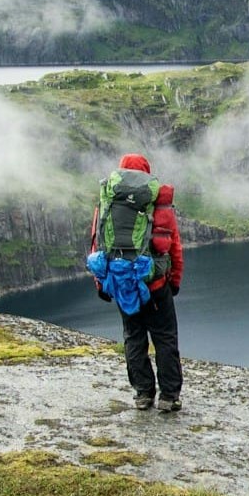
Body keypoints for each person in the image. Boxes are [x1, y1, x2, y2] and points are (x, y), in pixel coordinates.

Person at [93, 153, 185, 411]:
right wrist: (174, 281)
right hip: (155, 285)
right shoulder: (156, 202)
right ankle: (169, 397)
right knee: (165, 338)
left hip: (124, 284)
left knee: (133, 338)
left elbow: (98, 243)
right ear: (146, 173)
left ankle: (143, 394)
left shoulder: (108, 200)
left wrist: (101, 282)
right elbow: (174, 247)